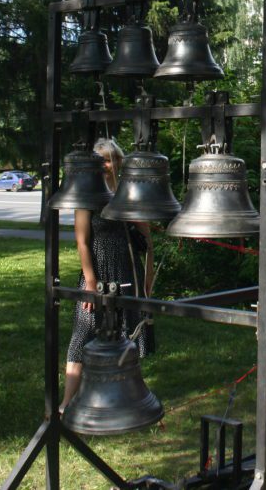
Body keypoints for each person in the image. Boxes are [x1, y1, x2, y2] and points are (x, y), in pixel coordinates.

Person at [60, 138, 155, 413]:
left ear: (118, 163)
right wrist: (89, 282)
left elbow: (146, 240)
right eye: (99, 159)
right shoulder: (86, 195)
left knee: (130, 332)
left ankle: (129, 398)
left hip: (127, 268)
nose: (104, 164)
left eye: (109, 159)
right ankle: (67, 402)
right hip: (98, 272)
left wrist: (146, 280)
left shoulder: (129, 193)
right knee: (83, 332)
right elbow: (82, 242)